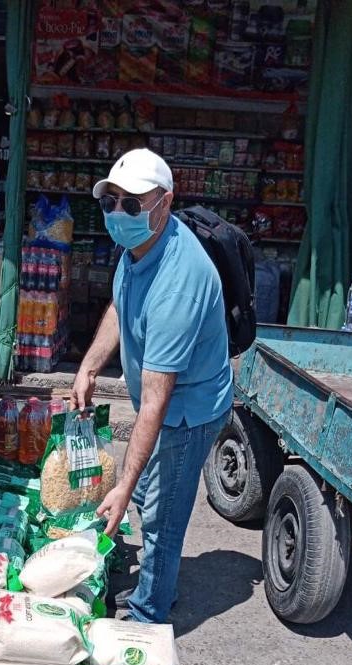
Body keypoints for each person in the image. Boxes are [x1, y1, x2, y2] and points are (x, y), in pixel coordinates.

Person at [71, 148, 233, 624]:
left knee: (161, 513)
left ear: (165, 202)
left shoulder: (180, 282)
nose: (120, 214)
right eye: (111, 202)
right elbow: (120, 308)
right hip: (160, 401)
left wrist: (124, 484)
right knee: (143, 494)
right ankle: (152, 578)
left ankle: (149, 613)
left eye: (132, 203)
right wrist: (89, 366)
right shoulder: (138, 248)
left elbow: (156, 406)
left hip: (188, 411)